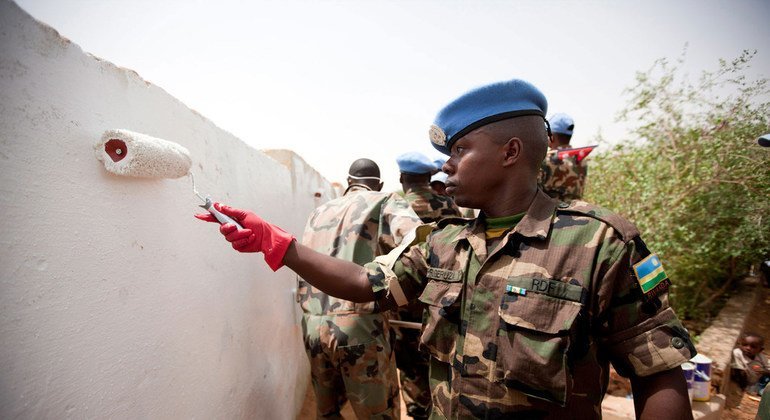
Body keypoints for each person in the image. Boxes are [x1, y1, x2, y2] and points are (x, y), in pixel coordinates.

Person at [197, 78, 696, 419]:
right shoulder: (444, 240)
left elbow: (658, 372)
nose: (445, 168)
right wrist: (275, 242)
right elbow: (365, 284)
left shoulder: (599, 242)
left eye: (459, 151)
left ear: (510, 152)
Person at [297, 158, 422, 419]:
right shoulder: (384, 200)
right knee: (378, 413)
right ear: (379, 184)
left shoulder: (318, 212)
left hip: (312, 324)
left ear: (348, 183)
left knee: (327, 412)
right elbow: (418, 240)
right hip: (361, 325)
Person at [393, 152, 464, 419]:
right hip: (441, 296)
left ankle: (416, 408)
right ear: (428, 177)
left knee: (409, 363)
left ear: (402, 178)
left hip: (402, 298)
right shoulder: (448, 204)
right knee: (440, 355)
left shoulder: (395, 206)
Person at [539, 112, 588, 201]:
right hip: (576, 212)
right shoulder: (582, 161)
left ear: (551, 136)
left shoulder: (547, 159)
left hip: (550, 213)